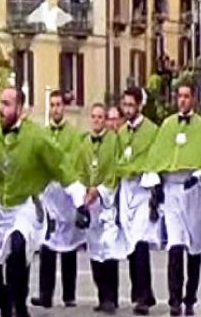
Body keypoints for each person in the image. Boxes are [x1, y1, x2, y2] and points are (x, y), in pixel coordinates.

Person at [0, 87, 88, 317]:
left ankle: (17, 303)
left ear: (20, 109)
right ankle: (7, 301)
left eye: (7, 104)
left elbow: (61, 167)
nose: (1, 109)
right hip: (0, 207)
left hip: (28, 205)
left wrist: (80, 204)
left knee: (18, 244)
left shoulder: (37, 137)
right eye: (0, 103)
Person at [142, 84, 201, 316]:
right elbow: (156, 157)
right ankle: (174, 299)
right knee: (175, 243)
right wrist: (155, 185)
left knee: (194, 245)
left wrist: (199, 176)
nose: (182, 100)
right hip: (171, 189)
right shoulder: (168, 125)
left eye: (186, 96)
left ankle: (190, 296)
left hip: (193, 190)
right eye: (179, 96)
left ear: (193, 99)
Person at [32, 90, 86, 309]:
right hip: (48, 190)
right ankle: (46, 293)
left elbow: (71, 160)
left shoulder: (73, 135)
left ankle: (69, 294)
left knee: (69, 245)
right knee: (48, 242)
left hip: (65, 190)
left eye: (58, 104)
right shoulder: (43, 133)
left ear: (64, 107)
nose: (55, 108)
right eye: (52, 105)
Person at [116, 86, 161, 316]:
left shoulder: (152, 130)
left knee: (140, 240)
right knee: (131, 241)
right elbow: (117, 159)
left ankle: (143, 295)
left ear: (140, 106)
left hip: (143, 188)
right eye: (125, 105)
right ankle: (142, 291)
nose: (128, 109)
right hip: (126, 189)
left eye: (131, 105)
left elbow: (156, 158)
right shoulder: (121, 132)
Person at [76, 103, 123, 315]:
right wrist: (84, 192)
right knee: (94, 249)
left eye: (100, 117)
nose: (96, 120)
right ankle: (100, 295)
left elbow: (115, 170)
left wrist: (100, 190)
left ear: (105, 119)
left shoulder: (114, 141)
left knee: (109, 249)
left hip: (106, 201)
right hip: (90, 202)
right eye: (93, 116)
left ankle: (111, 297)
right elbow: (79, 170)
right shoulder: (84, 142)